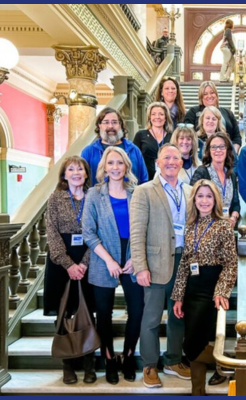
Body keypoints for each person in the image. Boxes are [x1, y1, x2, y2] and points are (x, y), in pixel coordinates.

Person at [130, 143, 193, 388]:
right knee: (151, 318)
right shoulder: (144, 191)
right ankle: (149, 365)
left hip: (183, 260)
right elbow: (137, 233)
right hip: (155, 263)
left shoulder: (189, 190)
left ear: (181, 163)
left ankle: (173, 360)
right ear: (158, 162)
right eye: (166, 157)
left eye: (175, 158)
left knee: (178, 314)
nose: (171, 162)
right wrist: (140, 266)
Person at [81, 147, 145, 385]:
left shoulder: (137, 193)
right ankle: (108, 358)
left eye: (120, 163)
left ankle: (128, 356)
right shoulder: (94, 194)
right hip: (102, 257)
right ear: (104, 167)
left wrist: (135, 258)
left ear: (126, 166)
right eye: (111, 163)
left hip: (132, 256)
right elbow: (88, 231)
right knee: (104, 315)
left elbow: (143, 228)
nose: (115, 167)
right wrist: (108, 259)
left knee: (137, 312)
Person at [172, 180, 238, 396]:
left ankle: (233, 365)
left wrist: (221, 290)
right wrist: (179, 296)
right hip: (191, 288)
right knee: (196, 343)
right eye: (200, 196)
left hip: (211, 289)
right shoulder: (190, 226)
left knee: (192, 345)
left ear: (215, 199)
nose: (204, 200)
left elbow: (230, 263)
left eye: (209, 196)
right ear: (194, 199)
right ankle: (197, 391)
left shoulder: (223, 225)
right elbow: (184, 263)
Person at [44, 156, 96, 385]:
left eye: (80, 169)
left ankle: (89, 362)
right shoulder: (55, 199)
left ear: (86, 173)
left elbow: (99, 231)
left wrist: (83, 263)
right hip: (60, 264)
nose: (76, 172)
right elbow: (52, 234)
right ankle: (67, 365)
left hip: (89, 259)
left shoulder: (94, 197)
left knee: (89, 311)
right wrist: (69, 264)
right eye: (71, 169)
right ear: (64, 175)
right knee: (63, 312)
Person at [81, 107, 149, 186]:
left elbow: (144, 180)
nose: (110, 126)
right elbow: (82, 181)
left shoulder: (134, 150)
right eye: (106, 122)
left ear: (120, 125)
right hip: (98, 197)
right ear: (99, 125)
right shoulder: (88, 152)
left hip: (131, 196)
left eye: (114, 122)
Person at [190, 133, 241, 228]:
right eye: (214, 147)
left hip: (227, 228)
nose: (218, 150)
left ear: (227, 150)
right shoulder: (202, 172)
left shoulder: (231, 175)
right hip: (206, 228)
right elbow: (192, 201)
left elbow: (236, 204)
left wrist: (233, 217)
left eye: (222, 146)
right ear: (209, 151)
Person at [184, 81, 242, 152]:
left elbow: (237, 137)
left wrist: (233, 153)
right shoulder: (193, 112)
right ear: (201, 97)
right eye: (205, 94)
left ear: (216, 95)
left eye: (212, 93)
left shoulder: (228, 113)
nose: (209, 96)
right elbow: (186, 135)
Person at [134, 102, 174, 181]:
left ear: (166, 117)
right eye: (153, 114)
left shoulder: (172, 136)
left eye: (161, 114)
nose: (157, 117)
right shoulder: (141, 135)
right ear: (149, 117)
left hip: (167, 178)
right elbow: (134, 158)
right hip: (145, 179)